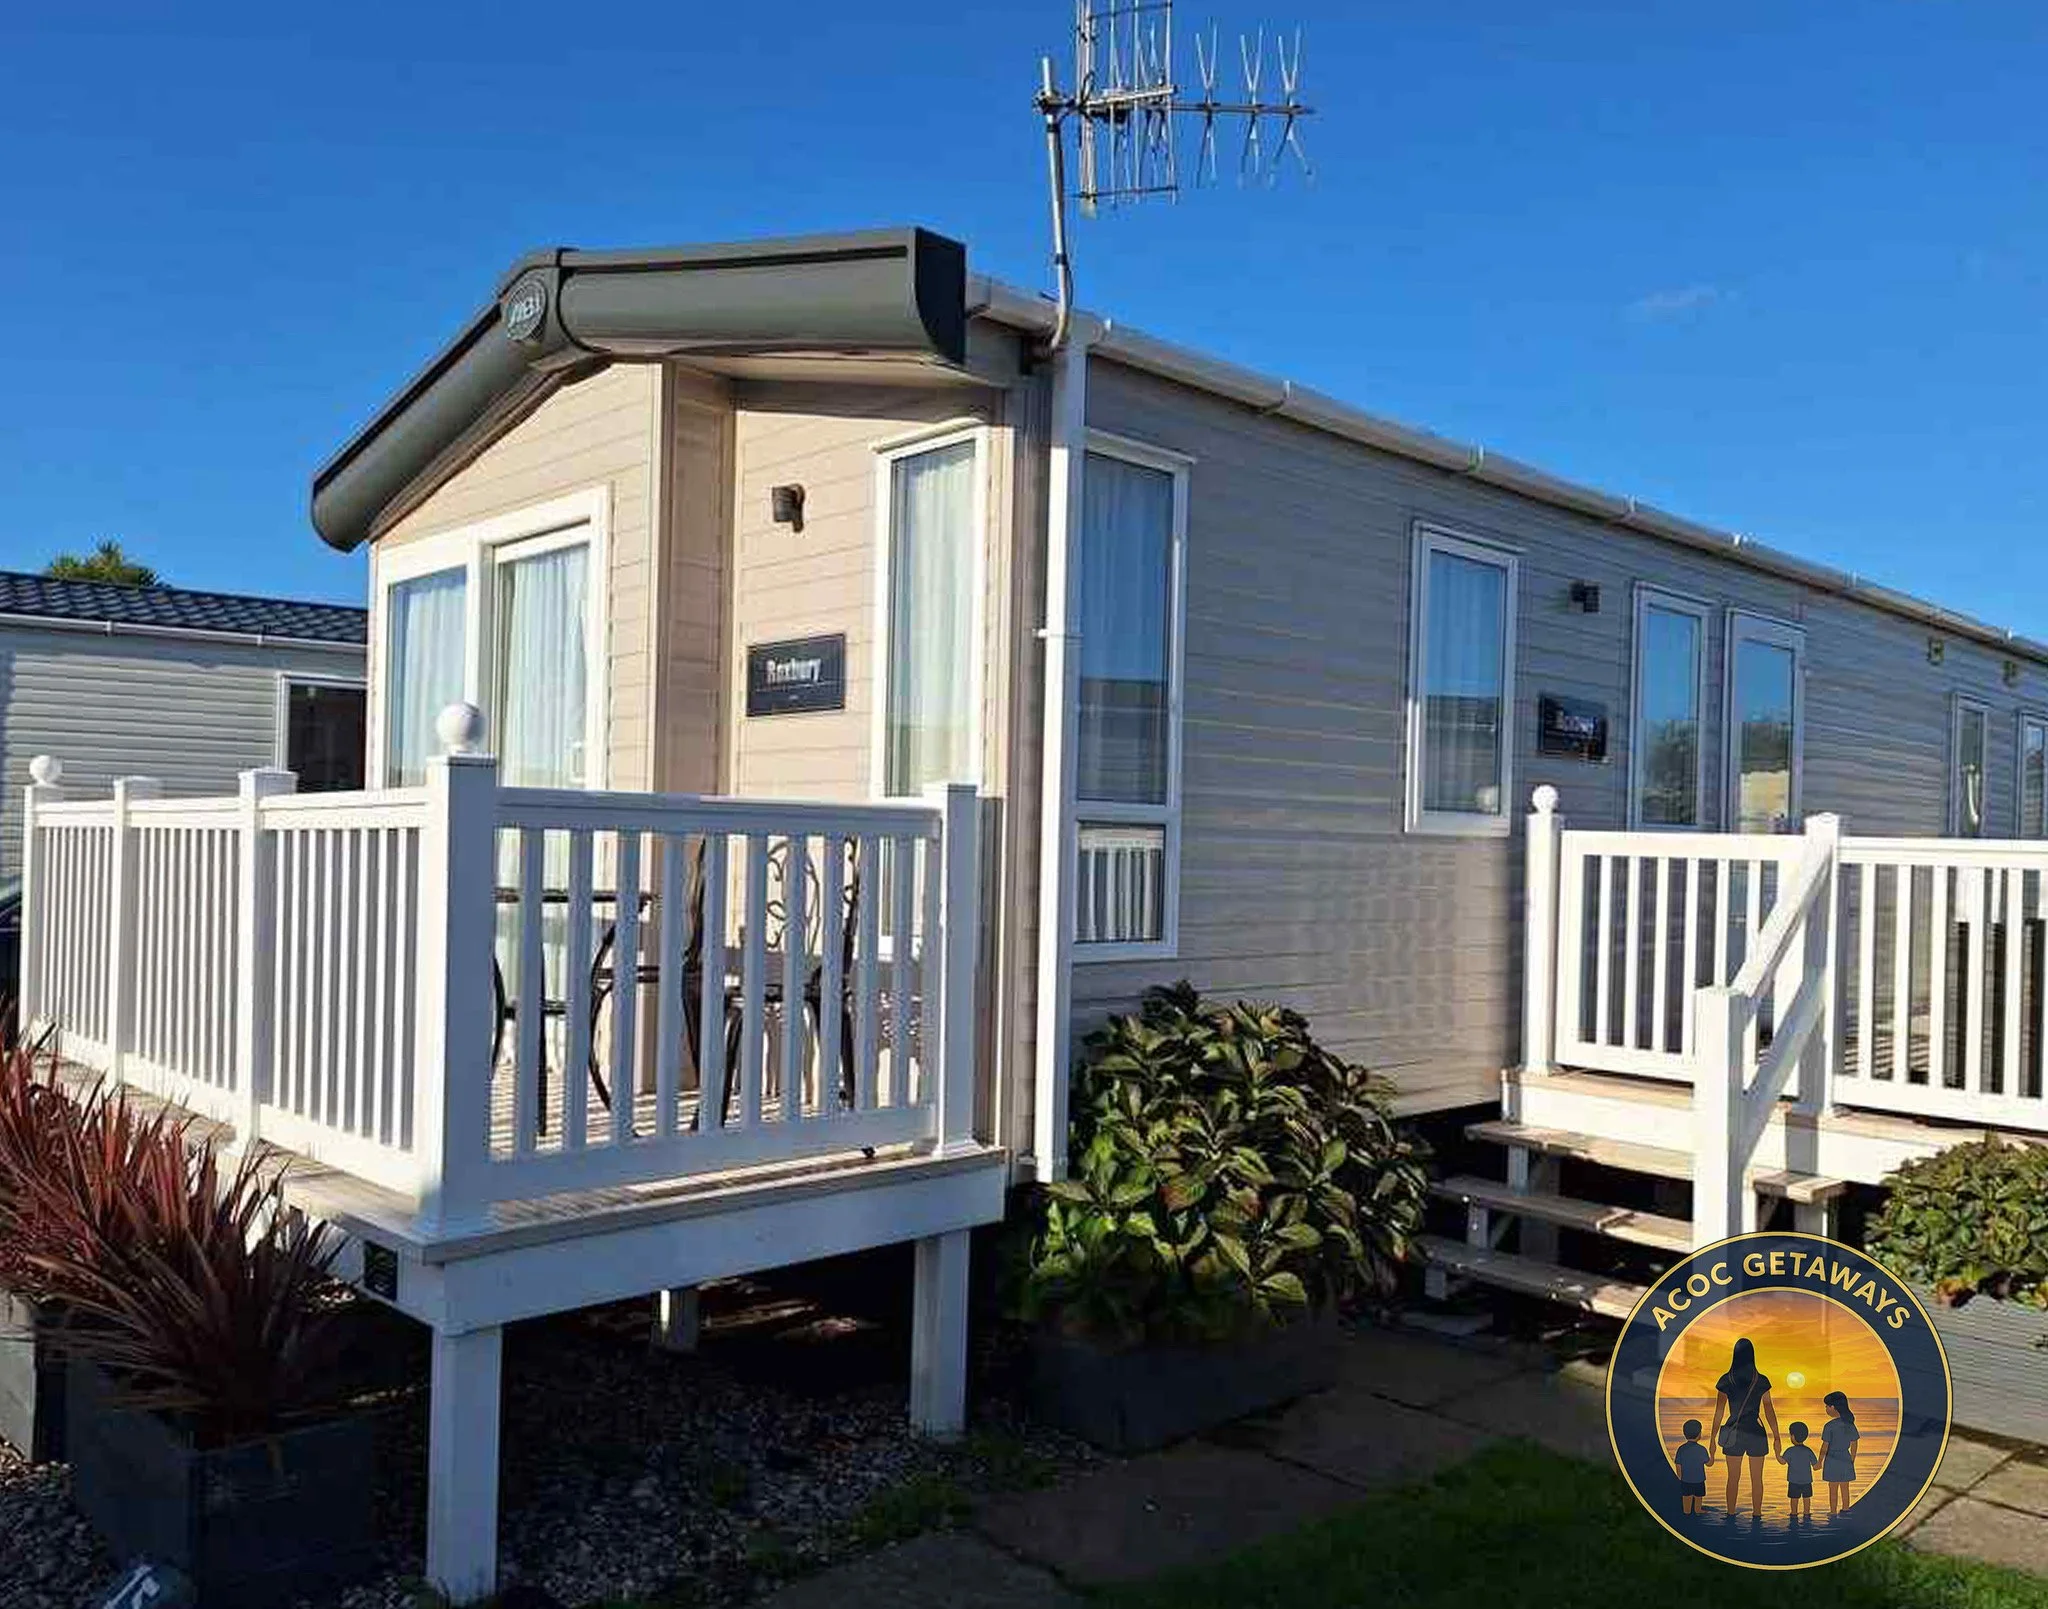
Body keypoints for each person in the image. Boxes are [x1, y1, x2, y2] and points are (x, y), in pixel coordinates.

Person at [1707, 1337, 1780, 1518]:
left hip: (1734, 1433)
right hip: (1756, 1432)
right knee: (1757, 1479)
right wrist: (1777, 1436)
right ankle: (1757, 1515)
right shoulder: (1761, 1380)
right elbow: (1769, 1409)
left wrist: (1712, 1440)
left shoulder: (1726, 1380)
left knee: (1733, 1478)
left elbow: (1719, 1412)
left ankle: (1730, 1514)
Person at [1821, 1391, 1860, 1516]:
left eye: (1827, 1406)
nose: (1826, 1409)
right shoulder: (1849, 1424)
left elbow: (1825, 1446)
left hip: (1832, 1459)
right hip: (1845, 1458)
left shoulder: (1829, 1426)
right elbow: (1854, 1443)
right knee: (1845, 1487)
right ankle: (1845, 1509)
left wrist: (1819, 1461)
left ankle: (1833, 1511)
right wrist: (1852, 1459)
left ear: (1833, 1407)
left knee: (1833, 1488)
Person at [1779, 1421, 1819, 1520]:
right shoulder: (1808, 1451)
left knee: (1794, 1499)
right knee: (1806, 1499)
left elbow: (1782, 1461)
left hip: (1793, 1481)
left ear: (1792, 1436)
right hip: (1806, 1481)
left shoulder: (1790, 1451)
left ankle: (1794, 1514)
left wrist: (1776, 1453)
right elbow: (1816, 1465)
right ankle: (1806, 1514)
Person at [1674, 1418, 1712, 1514]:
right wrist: (1713, 1455)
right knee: (1698, 1496)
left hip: (1685, 1480)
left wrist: (1680, 1477)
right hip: (1699, 1480)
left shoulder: (1681, 1449)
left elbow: (1678, 1464)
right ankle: (1698, 1510)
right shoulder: (1702, 1449)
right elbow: (1708, 1463)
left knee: (1686, 1497)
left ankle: (1686, 1511)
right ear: (1699, 1434)